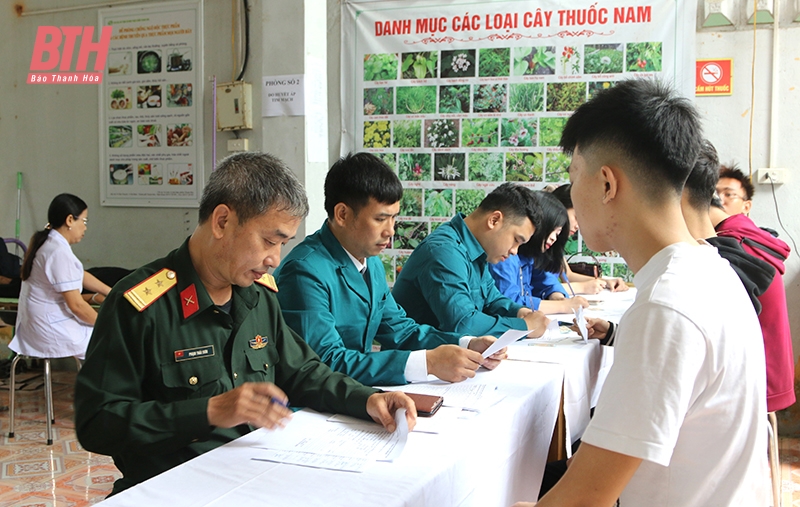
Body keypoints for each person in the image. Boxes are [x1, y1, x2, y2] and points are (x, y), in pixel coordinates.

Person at [74, 152, 416, 496]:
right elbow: (98, 423)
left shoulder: (258, 296)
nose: (275, 259)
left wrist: (367, 399)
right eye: (269, 241)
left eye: (283, 244)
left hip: (252, 480)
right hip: (171, 490)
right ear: (222, 221)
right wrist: (208, 411)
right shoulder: (141, 304)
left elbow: (304, 372)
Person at [515, 79, 769, 507]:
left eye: (573, 177)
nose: (571, 193)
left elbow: (584, 499)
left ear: (607, 184)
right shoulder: (711, 267)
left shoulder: (667, 305)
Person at [274, 153, 504, 386]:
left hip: (355, 392)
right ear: (342, 214)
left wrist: (467, 344)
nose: (390, 231)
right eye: (381, 219)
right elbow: (326, 362)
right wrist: (428, 363)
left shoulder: (369, 260)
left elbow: (401, 330)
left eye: (394, 218)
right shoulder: (304, 271)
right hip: (311, 406)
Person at [392, 183, 550, 337]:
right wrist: (524, 326)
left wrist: (518, 312)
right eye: (516, 239)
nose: (514, 251)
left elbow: (491, 299)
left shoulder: (477, 251)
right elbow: (462, 323)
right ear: (494, 220)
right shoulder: (444, 252)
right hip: (418, 360)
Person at [710, 181, 795, 413]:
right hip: (773, 374)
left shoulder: (731, 246)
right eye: (717, 193)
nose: (722, 199)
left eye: (729, 194)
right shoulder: (753, 237)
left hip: (757, 383)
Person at [9, 194, 111, 360]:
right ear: (70, 220)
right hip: (48, 330)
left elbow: (79, 274)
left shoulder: (49, 242)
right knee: (115, 339)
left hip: (41, 324)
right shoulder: (57, 252)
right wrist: (107, 325)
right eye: (84, 222)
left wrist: (112, 291)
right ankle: (101, 386)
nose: (85, 228)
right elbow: (77, 306)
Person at [488, 191, 589, 314]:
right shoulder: (506, 255)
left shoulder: (531, 255)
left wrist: (557, 296)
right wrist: (561, 306)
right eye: (553, 231)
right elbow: (510, 302)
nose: (554, 239)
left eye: (558, 234)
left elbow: (544, 280)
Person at [550, 183, 629, 294]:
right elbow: (538, 289)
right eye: (576, 217)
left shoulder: (555, 245)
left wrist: (605, 282)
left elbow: (568, 275)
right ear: (559, 209)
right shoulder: (543, 243)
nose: (578, 226)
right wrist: (582, 287)